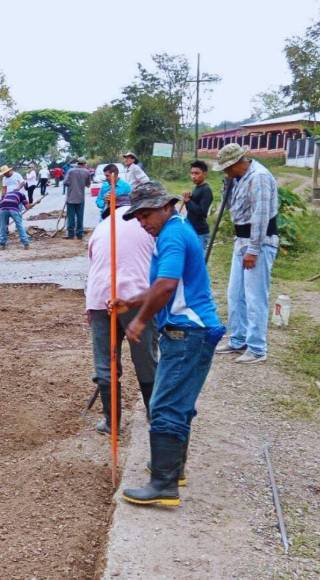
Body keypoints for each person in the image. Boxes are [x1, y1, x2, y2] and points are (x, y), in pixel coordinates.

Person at [111, 182, 224, 508]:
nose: (142, 223)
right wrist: (132, 302)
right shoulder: (174, 232)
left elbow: (165, 286)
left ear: (165, 206)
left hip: (187, 332)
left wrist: (140, 320)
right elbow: (161, 285)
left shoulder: (173, 235)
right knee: (179, 403)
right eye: (138, 218)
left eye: (146, 215)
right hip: (193, 331)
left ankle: (163, 484)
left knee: (165, 406)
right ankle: (173, 470)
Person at [84, 200, 156, 434]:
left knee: (105, 363)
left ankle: (111, 422)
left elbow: (93, 265)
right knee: (145, 359)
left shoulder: (101, 227)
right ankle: (154, 414)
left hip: (100, 299)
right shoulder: (149, 223)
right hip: (136, 297)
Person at [213, 143, 279, 364]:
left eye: (226, 168)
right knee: (235, 294)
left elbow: (261, 216)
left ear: (236, 163)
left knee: (255, 297)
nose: (225, 172)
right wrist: (227, 185)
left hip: (258, 243)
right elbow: (230, 207)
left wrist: (253, 249)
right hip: (241, 241)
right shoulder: (238, 178)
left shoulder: (259, 177)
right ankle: (238, 338)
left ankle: (257, 348)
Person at [0, 169, 31, 250]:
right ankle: (26, 243)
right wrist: (33, 204)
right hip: (13, 207)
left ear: (8, 171)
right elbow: (27, 207)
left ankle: (2, 244)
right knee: (19, 224)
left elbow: (22, 182)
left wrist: (2, 200)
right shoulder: (22, 195)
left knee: (3, 226)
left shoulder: (17, 175)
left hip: (3, 207)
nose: (4, 174)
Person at [183, 160, 214, 248]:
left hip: (200, 232)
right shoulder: (197, 188)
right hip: (193, 230)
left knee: (199, 256)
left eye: (197, 173)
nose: (193, 176)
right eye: (192, 173)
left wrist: (189, 201)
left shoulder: (206, 190)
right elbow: (190, 210)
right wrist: (188, 200)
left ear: (205, 174)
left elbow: (202, 212)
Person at [63, 159, 92, 239]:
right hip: (80, 198)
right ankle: (79, 234)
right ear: (84, 164)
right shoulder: (87, 172)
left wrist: (72, 183)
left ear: (77, 163)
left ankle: (71, 234)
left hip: (71, 198)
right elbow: (88, 185)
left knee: (71, 217)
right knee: (80, 217)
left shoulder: (70, 171)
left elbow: (65, 182)